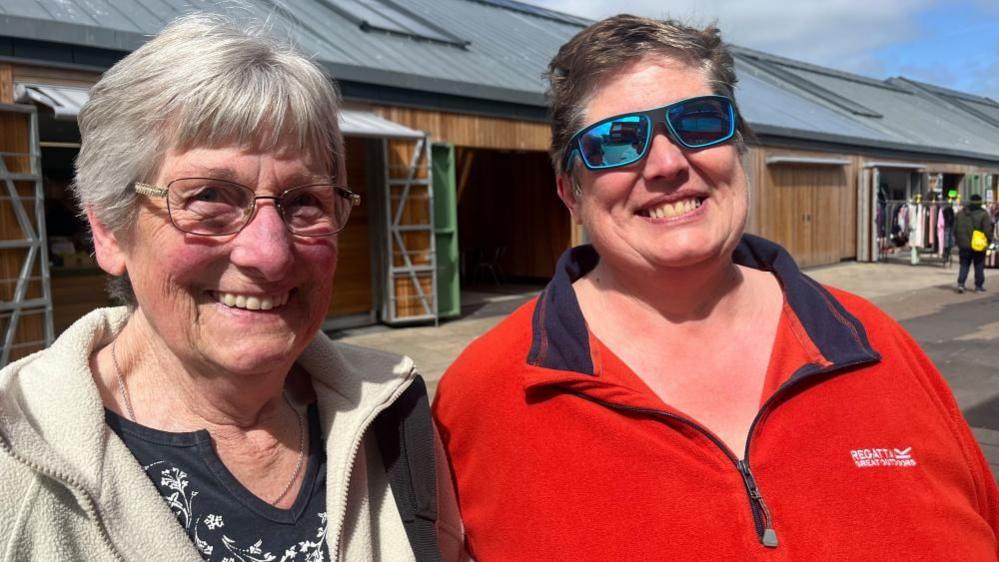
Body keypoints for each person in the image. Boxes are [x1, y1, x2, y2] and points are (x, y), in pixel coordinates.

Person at [433, 14, 999, 561]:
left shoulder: (877, 349)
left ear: (738, 147)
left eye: (699, 121)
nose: (666, 163)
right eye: (613, 141)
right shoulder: (483, 397)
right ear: (570, 193)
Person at [0, 14, 463, 561]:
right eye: (209, 197)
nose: (269, 253)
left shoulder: (392, 415)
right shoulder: (15, 456)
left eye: (305, 201)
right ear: (110, 231)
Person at [954, 192, 994, 293]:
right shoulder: (984, 214)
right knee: (979, 265)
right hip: (978, 244)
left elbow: (955, 229)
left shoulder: (960, 213)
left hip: (963, 245)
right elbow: (987, 230)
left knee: (964, 264)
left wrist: (958, 241)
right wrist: (989, 241)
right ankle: (978, 286)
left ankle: (961, 284)